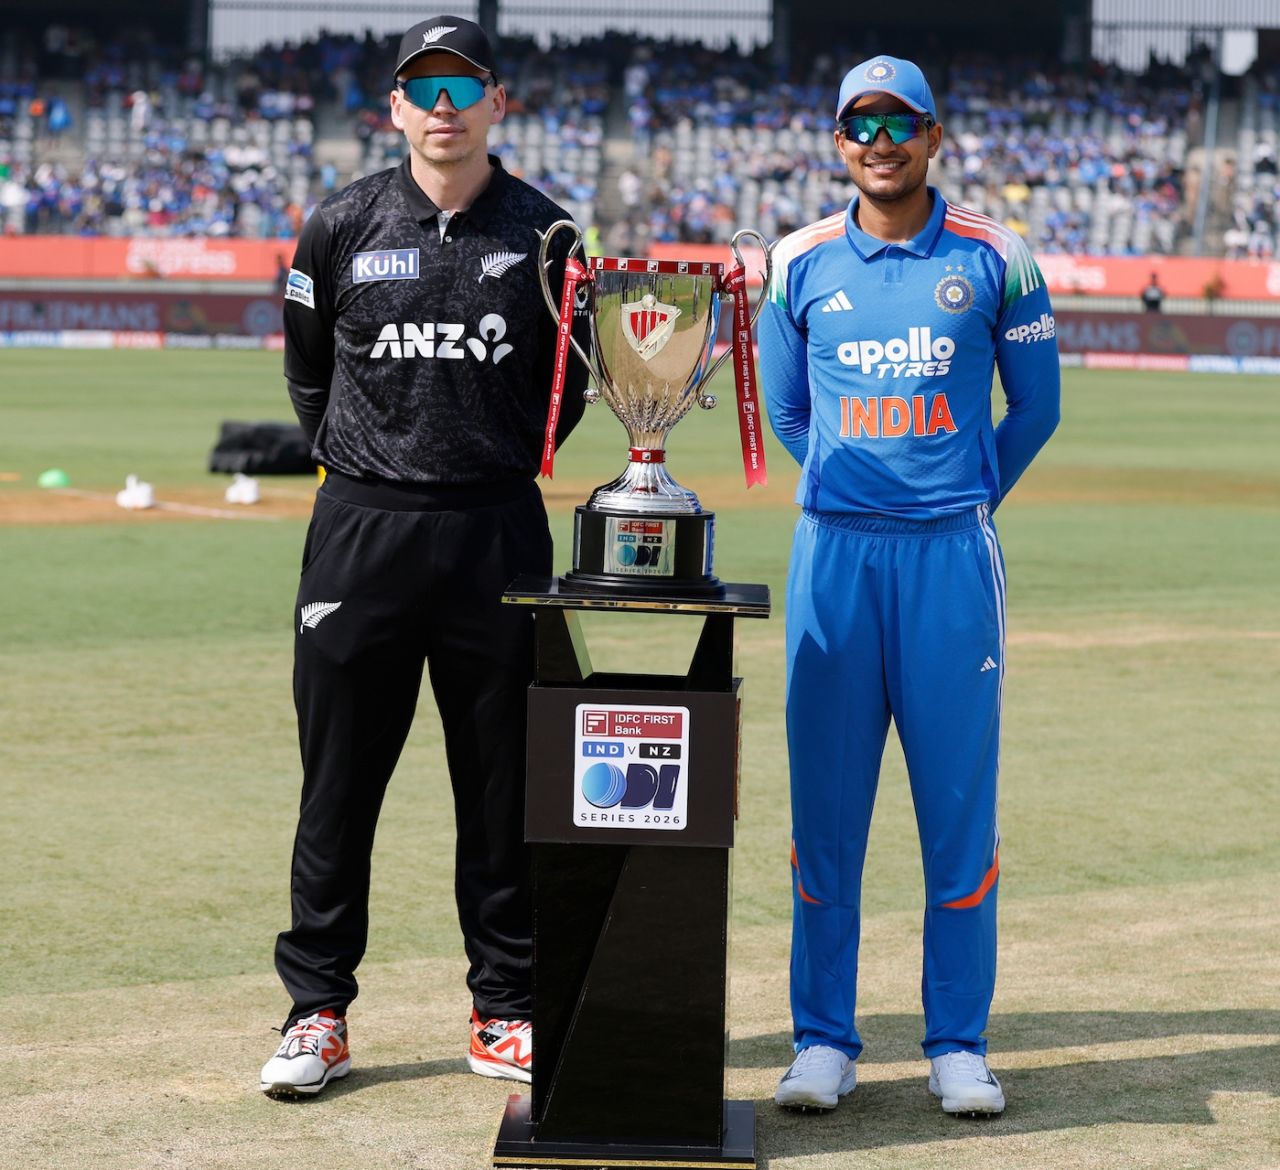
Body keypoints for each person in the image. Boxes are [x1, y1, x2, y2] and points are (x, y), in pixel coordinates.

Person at [259, 15, 587, 1099]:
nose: (441, 107)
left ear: (496, 101)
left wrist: (485, 464)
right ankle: (316, 1010)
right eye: (421, 89)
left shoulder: (547, 236)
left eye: (461, 86)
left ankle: (504, 1008)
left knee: (501, 787)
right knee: (338, 784)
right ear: (394, 108)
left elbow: (571, 391)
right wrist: (366, 465)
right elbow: (308, 377)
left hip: (496, 527)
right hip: (363, 532)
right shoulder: (341, 224)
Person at [758, 56, 1060, 1116]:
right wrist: (854, 483)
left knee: (954, 811)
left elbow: (1034, 409)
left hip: (946, 560)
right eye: (857, 125)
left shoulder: (994, 256)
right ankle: (821, 1040)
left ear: (933, 136)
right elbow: (789, 415)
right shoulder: (797, 263)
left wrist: (960, 495)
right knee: (825, 816)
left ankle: (955, 1043)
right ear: (835, 142)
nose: (877, 141)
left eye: (899, 123)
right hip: (833, 555)